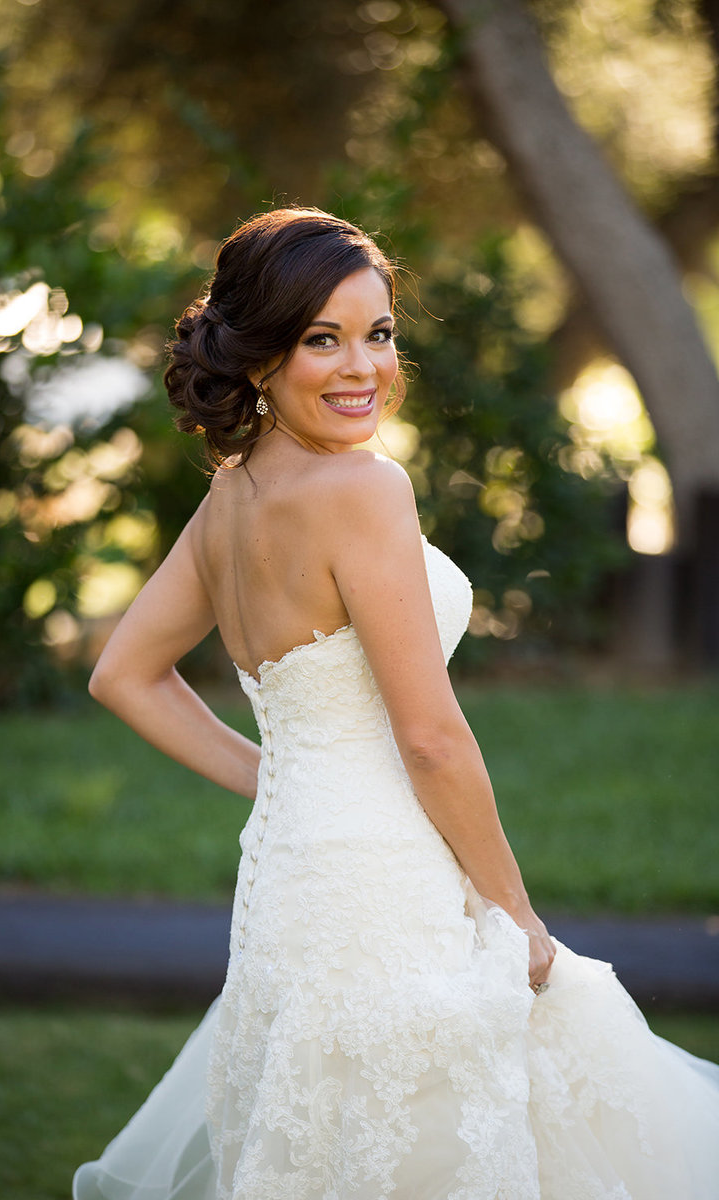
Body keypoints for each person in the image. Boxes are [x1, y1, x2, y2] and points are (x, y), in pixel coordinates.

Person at [73, 208, 719, 1200]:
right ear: (258, 355)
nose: (362, 367)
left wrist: (281, 781)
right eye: (320, 339)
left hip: (290, 882)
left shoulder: (232, 496)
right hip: (388, 885)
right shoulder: (364, 488)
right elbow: (430, 739)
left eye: (376, 333)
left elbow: (121, 673)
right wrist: (518, 917)